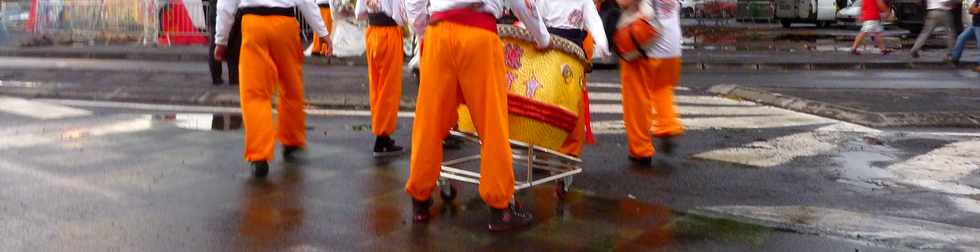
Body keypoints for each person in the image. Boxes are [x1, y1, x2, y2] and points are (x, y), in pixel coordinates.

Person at [403, 0, 552, 231]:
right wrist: (542, 37)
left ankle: (420, 201)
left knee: (428, 122)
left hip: (438, 34)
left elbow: (414, 2)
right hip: (479, 33)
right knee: (492, 123)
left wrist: (424, 31)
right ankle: (500, 208)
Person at [214, 0, 331, 177]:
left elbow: (225, 5)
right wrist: (322, 32)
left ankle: (259, 155)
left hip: (253, 24)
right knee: (291, 85)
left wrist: (221, 40)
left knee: (254, 93)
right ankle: (292, 140)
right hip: (285, 24)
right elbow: (306, 1)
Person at [614, 0, 683, 165]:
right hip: (672, 48)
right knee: (663, 89)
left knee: (636, 100)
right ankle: (667, 125)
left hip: (645, 44)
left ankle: (641, 150)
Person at [538, 0, 611, 156]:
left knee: (573, 102)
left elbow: (594, 21)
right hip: (550, 49)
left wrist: (603, 43)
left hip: (573, 52)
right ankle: (541, 145)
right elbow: (536, 18)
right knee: (545, 98)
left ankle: (569, 151)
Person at [355, 0, 407, 156]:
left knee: (376, 86)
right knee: (388, 88)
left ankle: (381, 131)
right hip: (389, 32)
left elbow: (359, 13)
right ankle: (382, 136)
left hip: (372, 32)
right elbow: (399, 16)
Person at [206, 0, 243, 85]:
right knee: (234, 46)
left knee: (215, 44)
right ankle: (234, 77)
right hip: (232, 11)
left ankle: (216, 77)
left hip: (216, 11)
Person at [951, 0, 980, 72]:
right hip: (974, 25)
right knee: (961, 38)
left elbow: (975, 11)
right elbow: (971, 11)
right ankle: (955, 59)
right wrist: (974, 9)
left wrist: (974, 9)